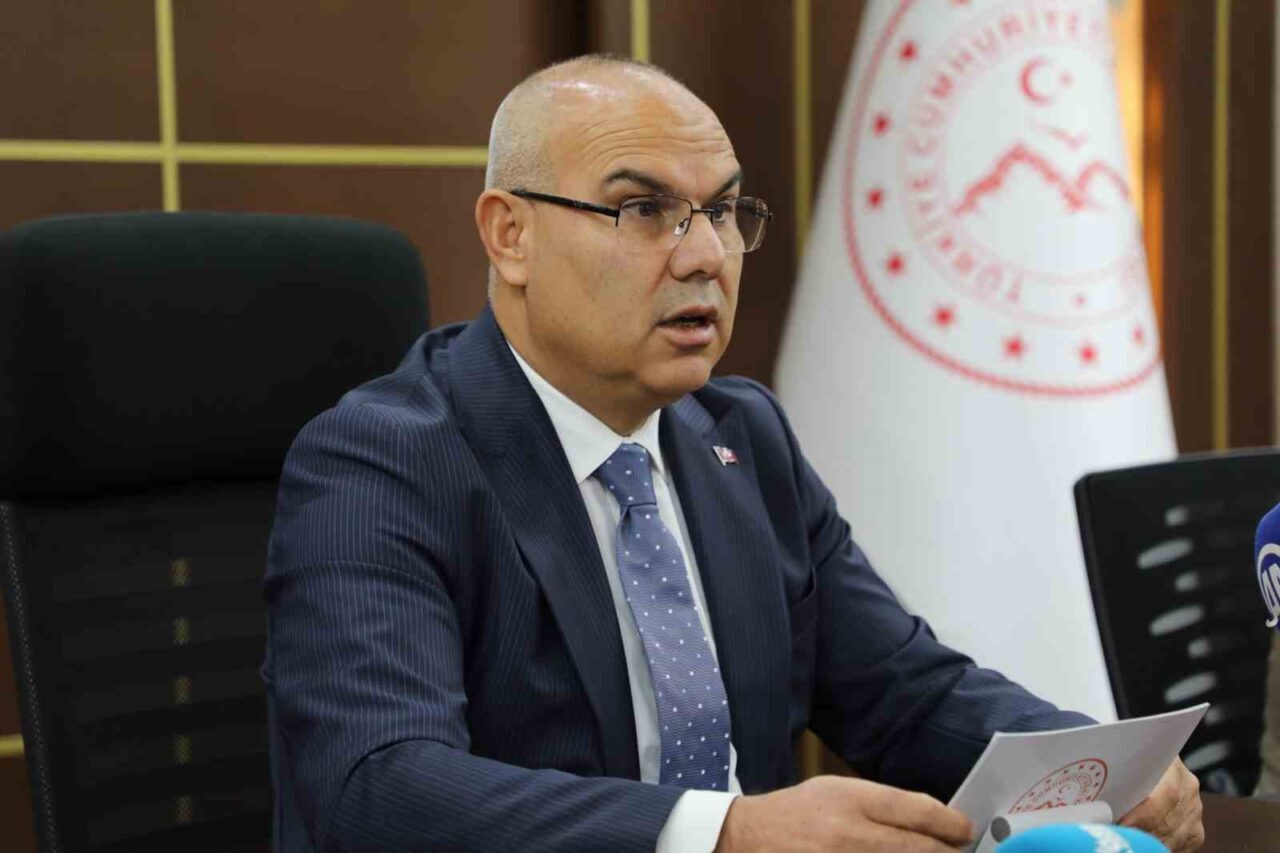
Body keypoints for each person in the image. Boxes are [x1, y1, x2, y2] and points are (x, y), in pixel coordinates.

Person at [264, 54, 1203, 852]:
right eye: (644, 209)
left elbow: (907, 695)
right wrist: (723, 833)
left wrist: (1100, 766)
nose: (706, 255)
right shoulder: (382, 463)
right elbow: (376, 785)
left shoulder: (741, 437)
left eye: (722, 211)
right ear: (511, 235)